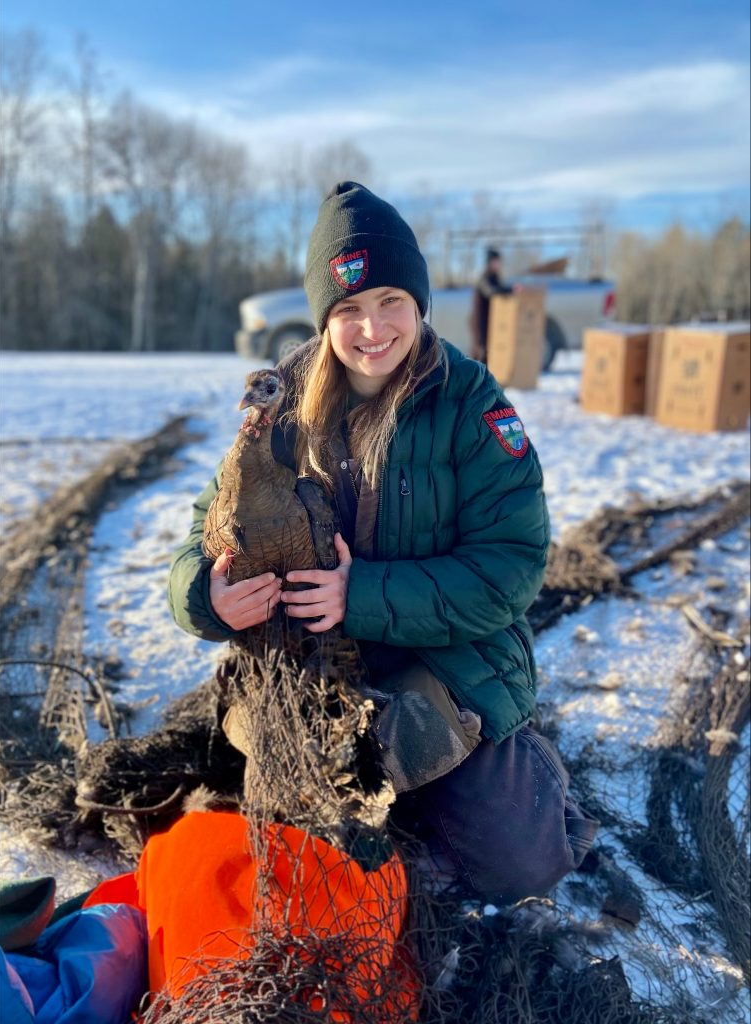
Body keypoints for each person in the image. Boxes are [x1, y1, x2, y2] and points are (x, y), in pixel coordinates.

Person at [168, 182, 596, 903]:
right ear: (324, 318)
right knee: (288, 853)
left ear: (419, 303)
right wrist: (204, 596)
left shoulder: (473, 405)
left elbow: (510, 570)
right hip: (306, 664)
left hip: (444, 654)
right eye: (348, 311)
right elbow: (202, 531)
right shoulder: (281, 403)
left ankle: (522, 765)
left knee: (520, 871)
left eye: (390, 301)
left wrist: (356, 594)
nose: (372, 330)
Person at [469, 247, 513, 363]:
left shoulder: (495, 278)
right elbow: (492, 292)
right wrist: (510, 290)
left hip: (491, 322)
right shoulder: (485, 278)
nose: (499, 264)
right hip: (481, 323)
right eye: (496, 261)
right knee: (481, 354)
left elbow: (499, 288)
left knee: (489, 354)